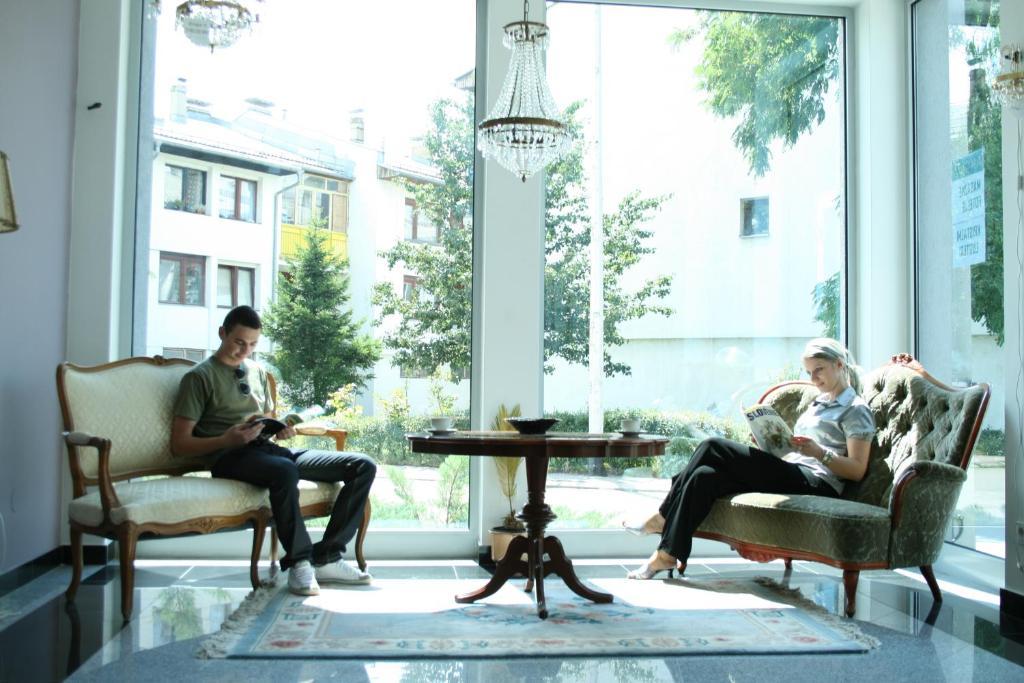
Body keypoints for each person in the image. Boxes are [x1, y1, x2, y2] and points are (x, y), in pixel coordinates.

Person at [624, 338, 875, 580]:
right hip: (794, 469)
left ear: (839, 365)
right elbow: (796, 449)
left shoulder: (855, 409)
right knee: (704, 478)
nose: (813, 379)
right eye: (809, 372)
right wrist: (772, 442)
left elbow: (856, 470)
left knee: (712, 446)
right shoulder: (818, 404)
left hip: (820, 483)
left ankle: (662, 517)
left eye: (818, 370)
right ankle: (668, 554)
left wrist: (819, 453)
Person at [170, 305, 376, 596]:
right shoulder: (198, 378)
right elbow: (180, 444)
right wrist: (225, 440)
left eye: (253, 344)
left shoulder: (257, 372)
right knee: (285, 470)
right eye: (239, 342)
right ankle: (298, 562)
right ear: (222, 333)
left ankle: (327, 557)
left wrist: (281, 428)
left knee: (363, 465)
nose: (245, 350)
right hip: (228, 456)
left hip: (266, 450)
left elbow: (265, 419)